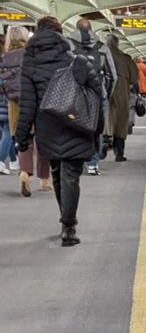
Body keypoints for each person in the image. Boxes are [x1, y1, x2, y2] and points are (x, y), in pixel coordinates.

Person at [15, 16, 102, 246]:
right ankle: (69, 226)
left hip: (47, 127)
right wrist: (97, 128)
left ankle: (66, 220)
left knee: (56, 173)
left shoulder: (30, 65)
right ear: (61, 35)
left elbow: (27, 105)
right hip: (76, 124)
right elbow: (96, 95)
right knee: (71, 175)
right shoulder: (77, 61)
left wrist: (22, 137)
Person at [1, 25, 48, 195]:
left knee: (23, 141)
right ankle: (44, 180)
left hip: (13, 105)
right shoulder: (32, 56)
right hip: (34, 102)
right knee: (42, 141)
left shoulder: (4, 59)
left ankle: (24, 173)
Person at [67, 19, 116, 175]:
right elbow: (112, 76)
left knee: (74, 128)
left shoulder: (68, 45)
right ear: (91, 29)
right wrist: (105, 93)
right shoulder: (102, 48)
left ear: (76, 28)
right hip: (97, 95)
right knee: (96, 129)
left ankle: (76, 162)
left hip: (74, 95)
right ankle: (93, 164)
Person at [104, 33, 138, 161]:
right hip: (122, 92)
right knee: (121, 122)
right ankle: (119, 153)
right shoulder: (126, 58)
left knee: (105, 120)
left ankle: (103, 145)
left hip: (104, 92)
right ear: (117, 44)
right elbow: (134, 78)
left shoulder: (100, 55)